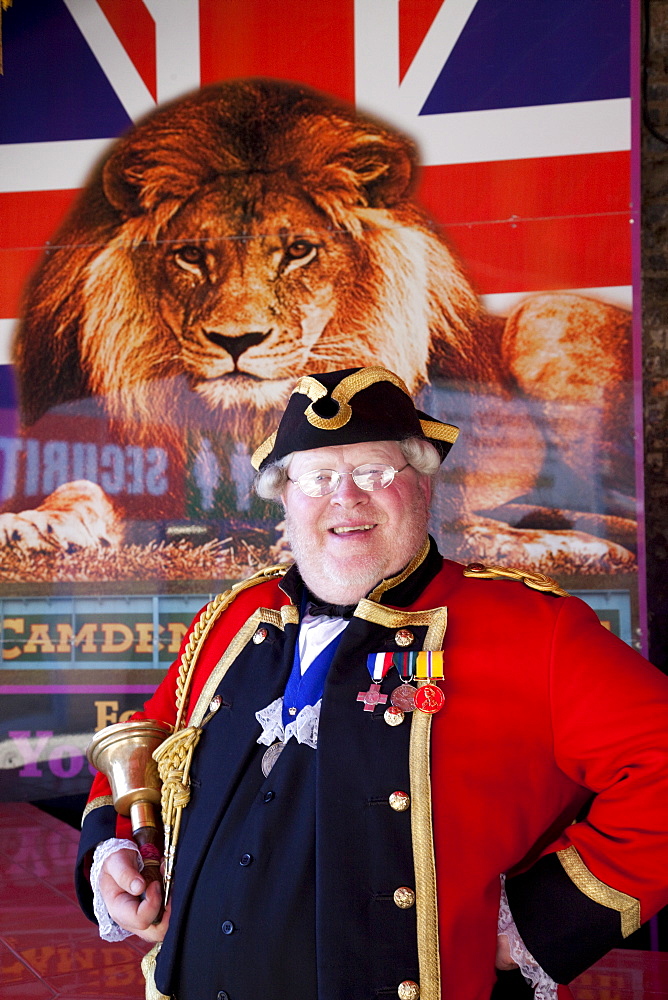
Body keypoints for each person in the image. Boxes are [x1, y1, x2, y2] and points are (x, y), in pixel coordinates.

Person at [76, 365, 668, 1000]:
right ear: (285, 496)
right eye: (318, 478)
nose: (345, 498)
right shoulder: (231, 620)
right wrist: (114, 857)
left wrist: (542, 922)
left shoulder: (536, 630)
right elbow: (146, 747)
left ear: (422, 485)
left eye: (373, 473)